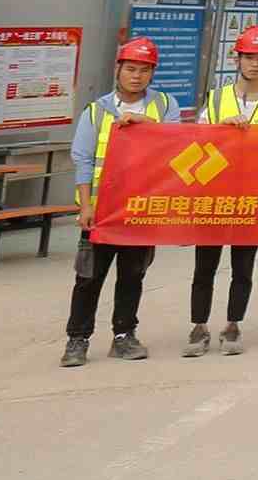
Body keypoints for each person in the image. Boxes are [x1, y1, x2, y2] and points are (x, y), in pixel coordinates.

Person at [61, 36, 180, 367]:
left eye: (144, 70)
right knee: (88, 278)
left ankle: (124, 335)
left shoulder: (165, 106)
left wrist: (145, 123)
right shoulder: (98, 110)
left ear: (152, 73)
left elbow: (176, 142)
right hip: (101, 212)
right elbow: (83, 159)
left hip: (141, 209)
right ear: (118, 70)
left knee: (132, 276)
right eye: (130, 69)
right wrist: (85, 206)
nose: (136, 76)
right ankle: (77, 339)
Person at [187, 22, 258, 358]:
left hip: (253, 194)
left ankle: (233, 324)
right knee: (205, 265)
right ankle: (198, 325)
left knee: (243, 266)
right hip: (215, 194)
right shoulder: (217, 99)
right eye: (248, 56)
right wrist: (222, 129)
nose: (254, 64)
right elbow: (197, 141)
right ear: (237, 58)